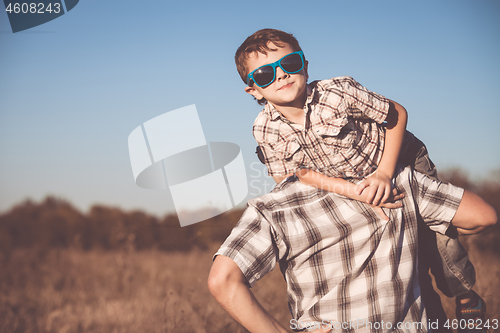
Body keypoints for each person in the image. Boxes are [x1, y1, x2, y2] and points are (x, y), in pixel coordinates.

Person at [232, 28, 488, 330]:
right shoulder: (265, 129)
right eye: (264, 74)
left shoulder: (337, 91)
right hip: (353, 181)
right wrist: (352, 192)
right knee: (407, 259)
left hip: (398, 155)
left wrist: (383, 172)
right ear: (254, 90)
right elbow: (295, 175)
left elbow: (396, 114)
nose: (281, 76)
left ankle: (462, 291)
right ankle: (428, 317)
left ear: (305, 64)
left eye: (289, 64)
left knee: (430, 230)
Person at [208, 166, 497, 332]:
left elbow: (223, 281)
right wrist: (416, 220)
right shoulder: (396, 182)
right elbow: (483, 217)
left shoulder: (273, 207)